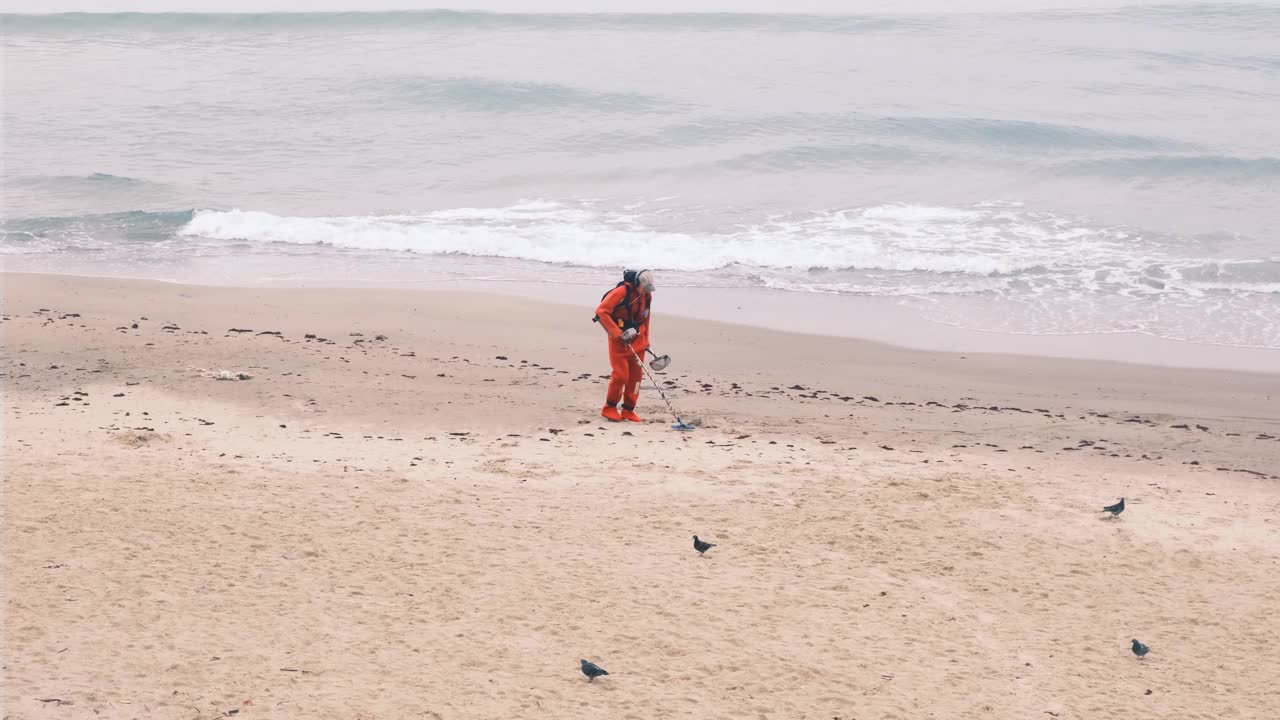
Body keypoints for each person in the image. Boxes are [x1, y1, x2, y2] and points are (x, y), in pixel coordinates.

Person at [593, 268, 654, 422]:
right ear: (636, 283)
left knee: (636, 378)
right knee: (621, 376)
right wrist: (617, 334)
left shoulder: (647, 295)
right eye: (643, 287)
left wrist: (646, 339)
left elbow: (646, 318)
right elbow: (601, 311)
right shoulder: (621, 292)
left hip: (638, 339)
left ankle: (628, 409)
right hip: (619, 340)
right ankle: (610, 408)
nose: (645, 291)